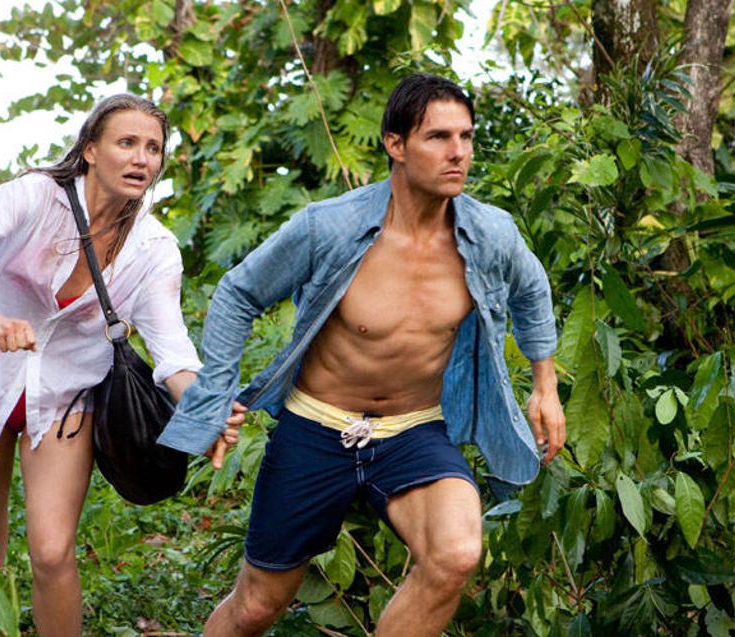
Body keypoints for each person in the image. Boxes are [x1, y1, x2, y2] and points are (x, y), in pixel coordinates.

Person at [157, 74, 566, 636]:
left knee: (455, 555)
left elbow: (532, 288)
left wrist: (545, 386)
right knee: (256, 606)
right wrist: (214, 398)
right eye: (438, 137)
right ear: (395, 144)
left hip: (414, 432)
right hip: (315, 428)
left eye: (466, 136)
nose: (458, 152)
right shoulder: (330, 227)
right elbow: (238, 293)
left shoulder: (489, 234)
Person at [0, 94, 238, 636]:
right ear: (90, 149)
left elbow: (173, 352)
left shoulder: (154, 248)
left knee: (51, 551)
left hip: (65, 406)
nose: (141, 158)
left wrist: (207, 408)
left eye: (153, 148)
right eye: (126, 143)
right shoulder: (34, 197)